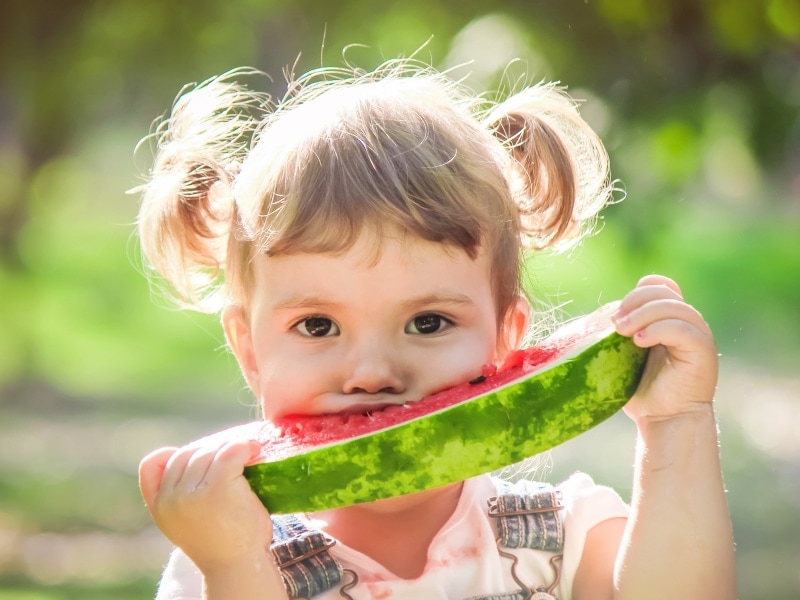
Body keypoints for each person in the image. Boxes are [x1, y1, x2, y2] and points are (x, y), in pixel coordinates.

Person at [134, 58, 736, 600]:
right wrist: (234, 565)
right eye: (317, 325)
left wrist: (675, 425)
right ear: (250, 350)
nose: (373, 373)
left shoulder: (564, 537)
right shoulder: (218, 560)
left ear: (507, 339)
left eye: (428, 322)